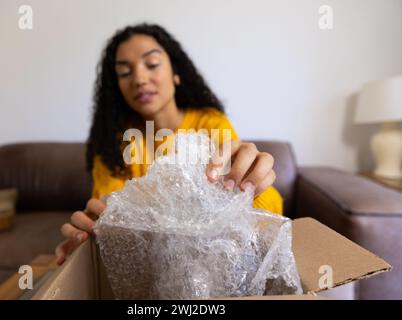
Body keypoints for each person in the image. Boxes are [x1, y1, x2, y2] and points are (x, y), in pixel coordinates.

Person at [55, 23, 282, 265]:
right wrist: (89, 237)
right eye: (124, 73)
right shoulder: (114, 144)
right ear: (117, 88)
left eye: (152, 64)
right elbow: (108, 219)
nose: (139, 79)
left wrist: (250, 183)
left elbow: (268, 211)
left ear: (176, 72)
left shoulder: (209, 123)